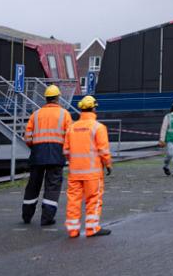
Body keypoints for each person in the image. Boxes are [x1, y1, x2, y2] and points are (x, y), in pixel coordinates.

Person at [21, 84, 72, 226]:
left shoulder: (35, 115)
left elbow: (28, 138)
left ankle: (26, 215)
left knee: (33, 185)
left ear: (46, 98)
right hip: (56, 154)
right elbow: (69, 137)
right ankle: (47, 217)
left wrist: (36, 146)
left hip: (38, 153)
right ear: (57, 98)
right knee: (53, 186)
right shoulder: (64, 114)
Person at [63, 95, 112, 238]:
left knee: (73, 200)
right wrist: (108, 164)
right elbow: (103, 150)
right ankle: (92, 228)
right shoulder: (98, 127)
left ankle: (72, 230)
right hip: (93, 173)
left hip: (74, 172)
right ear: (94, 108)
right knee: (93, 199)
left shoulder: (72, 127)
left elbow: (66, 151)